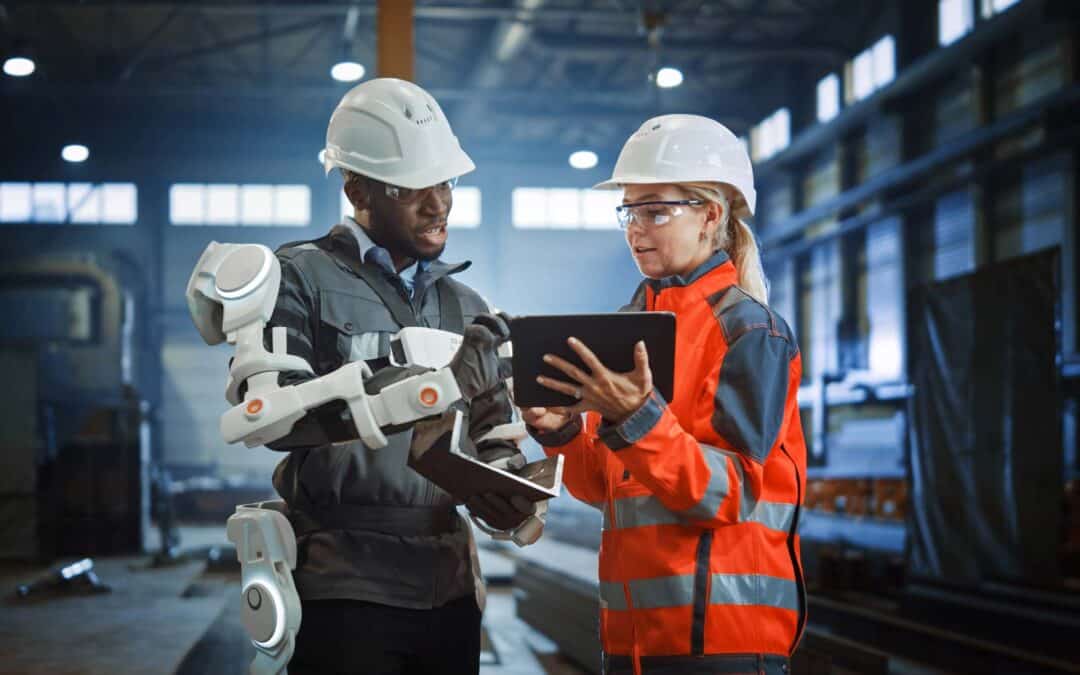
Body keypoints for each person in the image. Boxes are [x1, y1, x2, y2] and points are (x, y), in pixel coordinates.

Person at [264, 78, 538, 675]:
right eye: (410, 188)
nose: (438, 204)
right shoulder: (297, 278)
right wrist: (418, 384)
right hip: (346, 588)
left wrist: (514, 490)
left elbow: (493, 436)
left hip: (451, 591)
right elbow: (275, 419)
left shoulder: (467, 304)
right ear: (355, 187)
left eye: (445, 182)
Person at [522, 114, 808, 675]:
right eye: (628, 211)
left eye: (655, 211)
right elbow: (605, 488)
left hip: (722, 639)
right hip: (635, 640)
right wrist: (558, 433)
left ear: (710, 215)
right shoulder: (631, 330)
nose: (635, 229)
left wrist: (635, 417)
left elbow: (728, 494)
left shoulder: (749, 332)